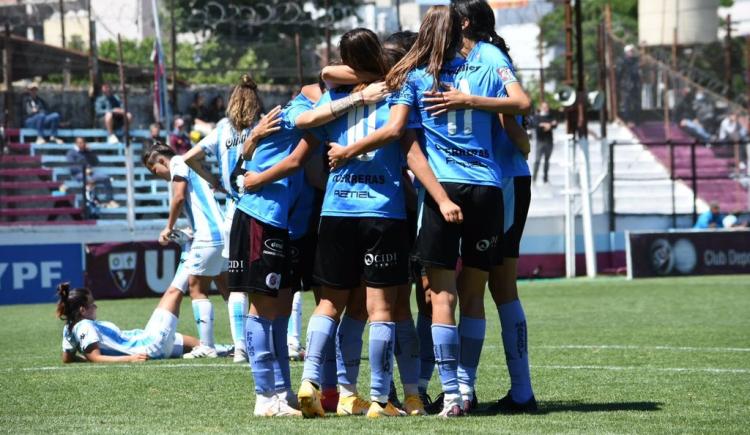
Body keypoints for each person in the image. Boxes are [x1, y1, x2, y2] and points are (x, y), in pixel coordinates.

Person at [326, 6, 530, 417]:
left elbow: (403, 139)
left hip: (442, 190)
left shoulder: (413, 77)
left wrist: (438, 197)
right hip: (490, 187)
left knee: (439, 295)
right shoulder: (488, 63)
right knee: (477, 292)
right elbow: (520, 112)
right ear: (462, 32)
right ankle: (468, 390)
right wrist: (476, 103)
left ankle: (449, 392)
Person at [181, 78, 283, 363]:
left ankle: (241, 348)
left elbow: (189, 157)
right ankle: (283, 342)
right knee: (269, 279)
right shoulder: (263, 125)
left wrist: (214, 179)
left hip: (231, 213)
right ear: (256, 100)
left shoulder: (222, 130)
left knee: (236, 283)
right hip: (259, 209)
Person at [142, 142, 228, 359]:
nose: (157, 175)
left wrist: (168, 227)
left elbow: (179, 197)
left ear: (162, 161)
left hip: (208, 235)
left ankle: (207, 346)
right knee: (229, 289)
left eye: (155, 170)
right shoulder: (190, 164)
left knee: (196, 288)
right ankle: (246, 343)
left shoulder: (179, 163)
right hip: (223, 232)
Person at [57, 282, 204, 362]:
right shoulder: (85, 326)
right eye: (92, 303)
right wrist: (130, 358)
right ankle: (189, 248)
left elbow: (67, 358)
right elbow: (95, 357)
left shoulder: (69, 327)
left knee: (206, 348)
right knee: (176, 289)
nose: (96, 306)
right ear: (82, 310)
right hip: (150, 344)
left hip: (146, 339)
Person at [66, 137, 118, 208]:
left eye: (82, 143)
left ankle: (110, 200)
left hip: (91, 173)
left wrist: (90, 152)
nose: (80, 144)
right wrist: (83, 170)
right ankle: (95, 202)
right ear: (76, 143)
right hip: (78, 174)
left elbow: (96, 162)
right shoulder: (71, 153)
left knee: (106, 178)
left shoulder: (87, 152)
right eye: (79, 143)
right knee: (89, 180)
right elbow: (71, 167)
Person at [616, 44, 641, 126]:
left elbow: (637, 73)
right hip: (626, 86)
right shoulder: (622, 61)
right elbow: (619, 73)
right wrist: (619, 84)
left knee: (636, 103)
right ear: (626, 52)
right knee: (627, 104)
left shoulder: (636, 61)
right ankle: (628, 120)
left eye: (633, 51)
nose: (632, 52)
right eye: (630, 51)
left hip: (635, 85)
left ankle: (637, 120)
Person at [533, 102, 556, 184]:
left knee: (547, 160)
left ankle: (545, 178)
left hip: (549, 141)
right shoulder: (537, 116)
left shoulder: (550, 116)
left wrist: (547, 125)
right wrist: (547, 125)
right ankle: (534, 178)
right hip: (540, 141)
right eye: (544, 107)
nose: (546, 108)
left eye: (547, 107)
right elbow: (536, 125)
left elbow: (554, 124)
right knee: (537, 160)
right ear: (541, 107)